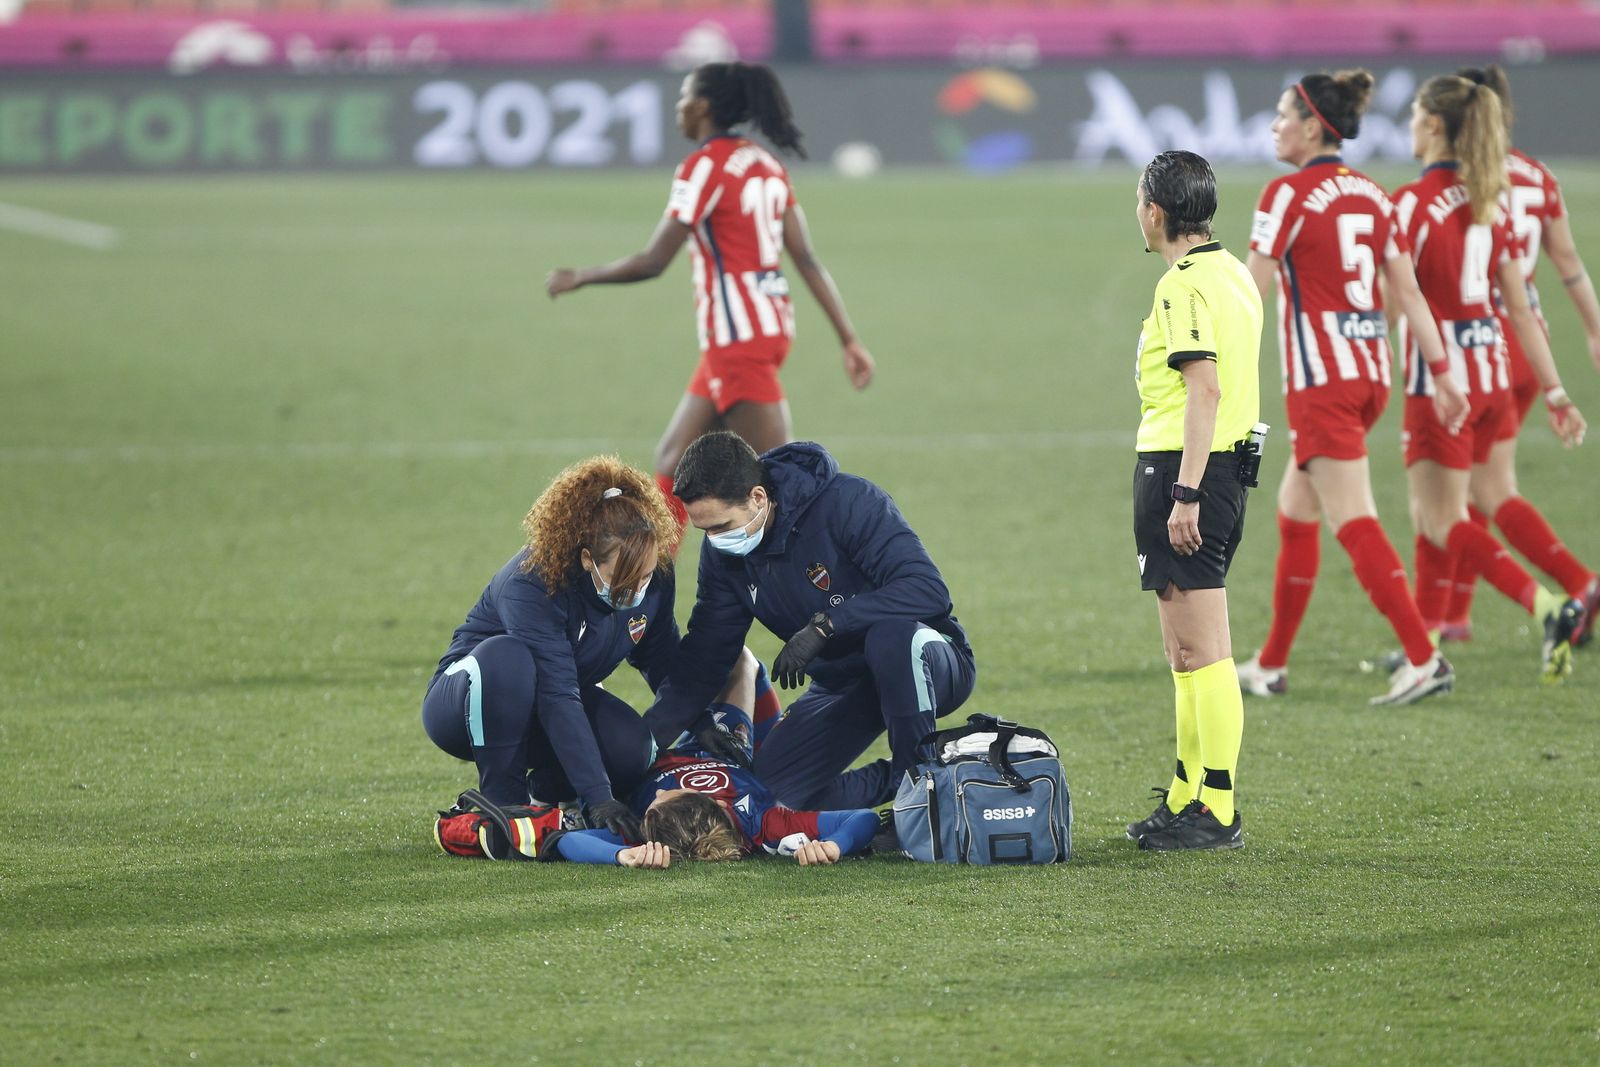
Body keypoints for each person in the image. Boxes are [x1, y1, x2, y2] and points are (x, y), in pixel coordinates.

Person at [545, 62, 875, 539]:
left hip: (736, 339)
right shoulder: (765, 163)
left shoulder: (704, 166)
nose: (678, 107)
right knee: (672, 461)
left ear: (701, 107)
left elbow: (654, 260)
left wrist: (581, 276)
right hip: (767, 328)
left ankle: (832, 576)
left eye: (683, 97)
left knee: (783, 485)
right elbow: (805, 258)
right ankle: (652, 578)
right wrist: (849, 339)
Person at [1234, 69, 1469, 706]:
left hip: (1323, 384)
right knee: (1296, 511)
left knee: (1355, 520)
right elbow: (1408, 293)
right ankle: (1271, 664)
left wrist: (1204, 355)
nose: (1275, 125)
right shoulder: (1374, 194)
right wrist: (1443, 373)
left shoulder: (1285, 195)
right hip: (1370, 377)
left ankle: (1423, 658)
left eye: (1284, 115)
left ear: (1313, 127)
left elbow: (1249, 293)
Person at [641, 431, 976, 813]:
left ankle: (919, 798)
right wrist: (653, 740)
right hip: (845, 684)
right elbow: (707, 653)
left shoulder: (848, 501)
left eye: (722, 526)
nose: (715, 540)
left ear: (758, 497)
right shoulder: (723, 556)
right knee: (770, 799)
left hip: (926, 662)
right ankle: (930, 773)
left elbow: (928, 591)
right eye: (706, 531)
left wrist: (827, 625)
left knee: (890, 638)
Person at [1390, 75, 1587, 684]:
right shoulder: (1490, 203)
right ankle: (1425, 641)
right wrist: (1556, 392)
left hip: (1441, 384)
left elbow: (1396, 300)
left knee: (1442, 519)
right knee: (1455, 507)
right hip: (1494, 374)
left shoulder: (1413, 203)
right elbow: (1521, 311)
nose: (1409, 123)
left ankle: (1547, 605)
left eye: (1415, 114)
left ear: (1433, 126)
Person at [421, 456, 683, 844]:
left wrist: (701, 719)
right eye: (622, 578)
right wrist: (600, 797)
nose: (636, 589)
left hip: (549, 708)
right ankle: (504, 804)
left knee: (633, 749)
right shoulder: (532, 582)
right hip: (465, 705)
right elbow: (558, 694)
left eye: (643, 576)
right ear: (587, 559)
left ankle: (546, 794)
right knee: (508, 658)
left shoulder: (657, 572)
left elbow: (661, 657)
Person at [1122, 150, 1259, 852]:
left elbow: (1203, 387)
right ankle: (1186, 793)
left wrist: (1185, 492)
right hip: (1223, 468)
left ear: (1155, 210)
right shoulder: (1233, 271)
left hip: (1187, 470)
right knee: (1186, 650)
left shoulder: (1180, 285)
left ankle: (1218, 807)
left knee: (1203, 650)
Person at [1436, 65, 1600, 647]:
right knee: (1481, 483)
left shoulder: (1461, 183)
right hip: (1534, 345)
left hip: (1483, 344)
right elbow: (1569, 263)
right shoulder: (1539, 177)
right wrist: (1593, 330)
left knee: (1471, 491)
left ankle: (1576, 583)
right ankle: (1456, 616)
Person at [540, 651, 880, 867]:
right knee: (743, 663)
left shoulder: (648, 832)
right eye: (669, 794)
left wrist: (620, 855)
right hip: (726, 750)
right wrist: (835, 846)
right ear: (716, 801)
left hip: (652, 761)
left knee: (586, 703)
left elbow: (569, 842)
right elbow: (862, 819)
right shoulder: (763, 823)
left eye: (657, 799)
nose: (660, 792)